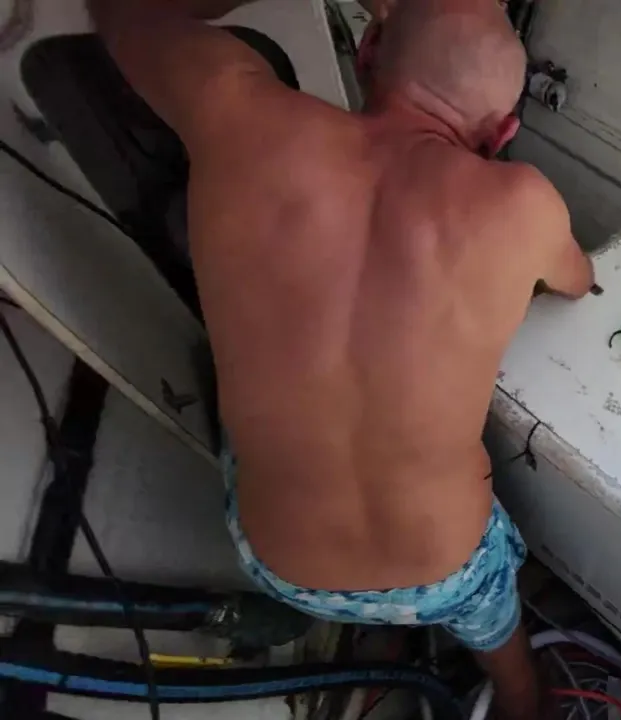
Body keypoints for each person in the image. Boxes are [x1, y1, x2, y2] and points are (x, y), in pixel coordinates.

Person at [89, 0, 595, 717]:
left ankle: (349, 631)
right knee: (494, 616)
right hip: (442, 575)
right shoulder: (524, 206)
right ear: (503, 131)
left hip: (280, 566)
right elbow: (578, 279)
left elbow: (119, 11)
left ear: (366, 51)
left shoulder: (236, 107)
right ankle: (520, 696)